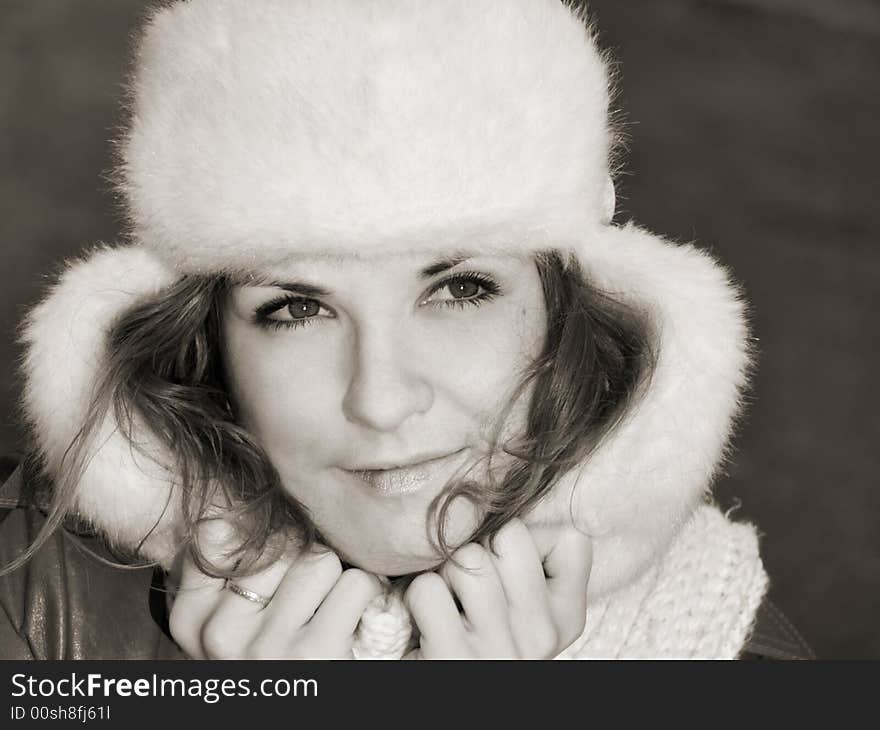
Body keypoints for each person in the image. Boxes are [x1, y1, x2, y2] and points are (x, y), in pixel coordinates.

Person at [0, 0, 813, 659]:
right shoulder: (33, 598)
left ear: (569, 313)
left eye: (460, 290)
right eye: (297, 309)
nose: (381, 401)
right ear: (208, 341)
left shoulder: (733, 644)